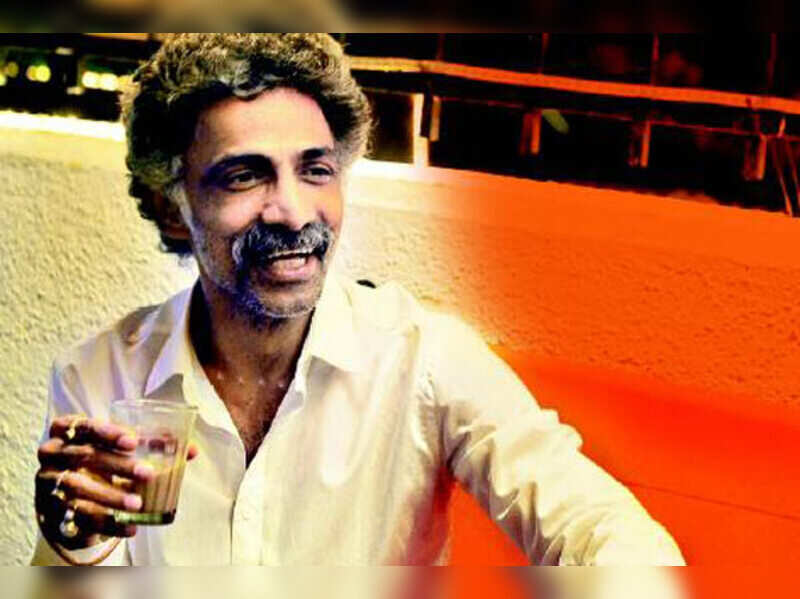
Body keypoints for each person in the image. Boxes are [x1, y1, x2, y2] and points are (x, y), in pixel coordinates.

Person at [31, 33, 684, 566]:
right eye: (245, 175)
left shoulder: (424, 359)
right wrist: (74, 541)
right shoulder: (103, 376)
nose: (293, 212)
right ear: (172, 208)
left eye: (316, 170)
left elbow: (596, 524)